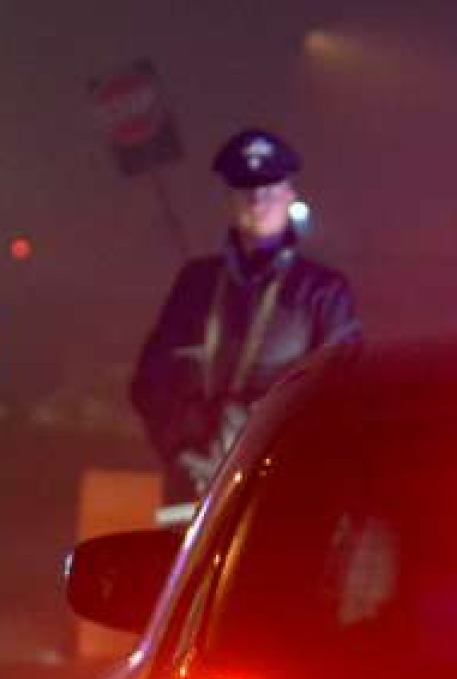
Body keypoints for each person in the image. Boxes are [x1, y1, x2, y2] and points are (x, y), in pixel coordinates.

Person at [130, 127, 361, 503]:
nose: (257, 200)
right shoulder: (196, 284)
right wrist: (182, 444)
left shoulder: (323, 291)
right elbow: (148, 382)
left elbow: (342, 394)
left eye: (269, 189)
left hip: (281, 488)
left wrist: (263, 428)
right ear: (229, 199)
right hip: (193, 492)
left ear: (289, 196)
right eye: (245, 189)